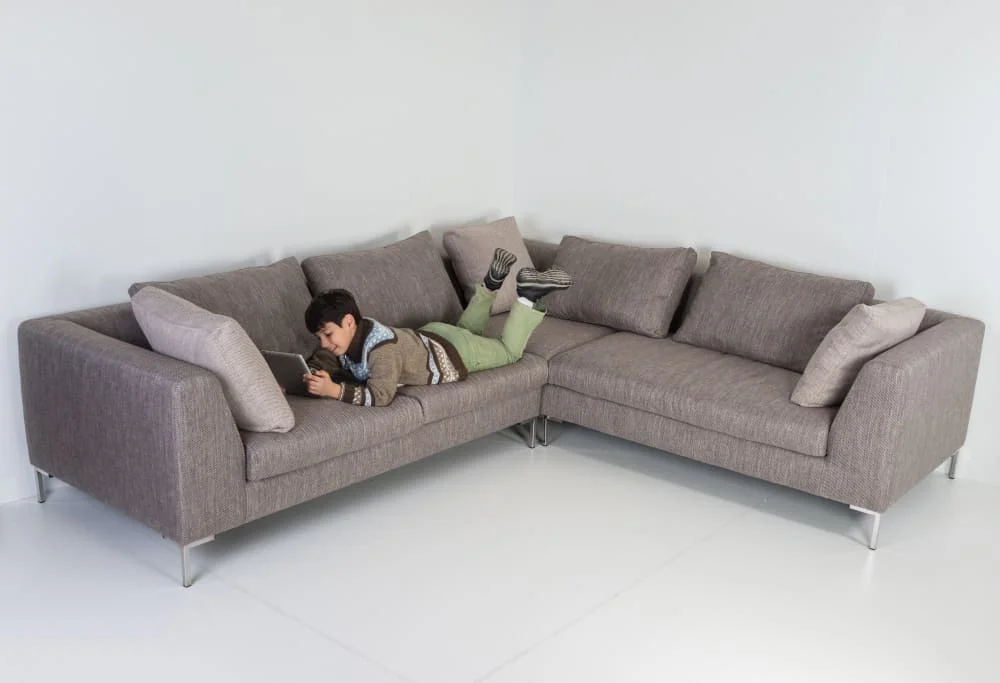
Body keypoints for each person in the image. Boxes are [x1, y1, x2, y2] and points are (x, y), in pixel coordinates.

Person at [302, 248, 573, 407]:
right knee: (469, 333)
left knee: (509, 352)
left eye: (327, 334)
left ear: (348, 322)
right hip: (436, 335)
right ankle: (491, 283)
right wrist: (303, 377)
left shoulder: (380, 351)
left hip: (452, 351)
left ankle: (528, 295)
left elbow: (381, 395)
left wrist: (334, 391)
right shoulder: (356, 333)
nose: (325, 343)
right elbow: (326, 357)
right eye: (320, 336)